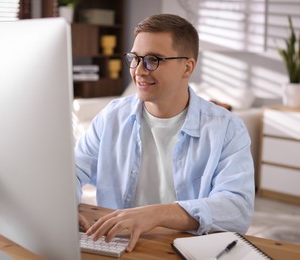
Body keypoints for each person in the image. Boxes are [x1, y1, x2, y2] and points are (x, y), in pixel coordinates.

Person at [75, 13, 254, 252]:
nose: (139, 70)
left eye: (153, 60)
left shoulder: (228, 128)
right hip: (119, 246)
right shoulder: (111, 117)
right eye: (135, 58)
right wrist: (64, 206)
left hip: (191, 249)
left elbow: (237, 209)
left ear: (187, 67)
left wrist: (157, 214)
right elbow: (73, 170)